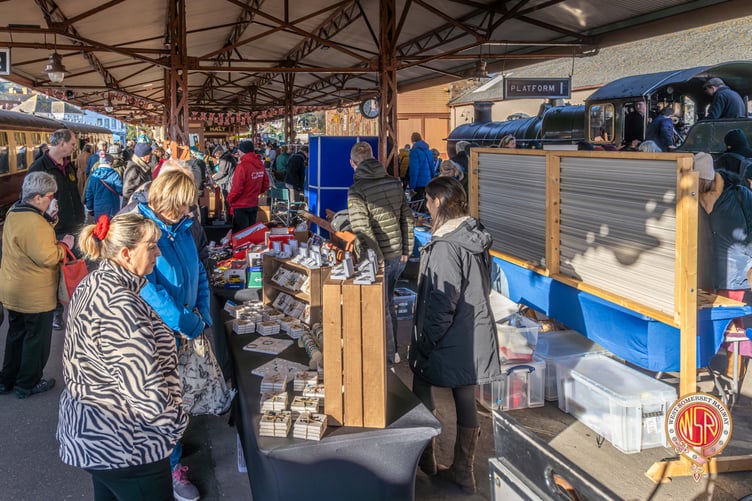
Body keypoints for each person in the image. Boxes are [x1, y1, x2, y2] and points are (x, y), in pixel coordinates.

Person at [57, 212, 187, 501]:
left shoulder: (95, 283)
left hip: (99, 437)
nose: (157, 252)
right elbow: (146, 392)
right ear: (127, 254)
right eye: (151, 246)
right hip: (128, 445)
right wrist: (177, 423)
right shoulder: (119, 304)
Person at [408, 176, 501, 494]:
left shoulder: (447, 246)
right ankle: (464, 472)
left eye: (428, 201)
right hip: (471, 330)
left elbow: (440, 302)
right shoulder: (473, 235)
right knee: (464, 396)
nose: (427, 207)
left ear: (437, 203)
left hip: (450, 333)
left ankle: (426, 461)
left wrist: (425, 340)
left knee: (421, 380)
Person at [129, 168, 209, 501]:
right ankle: (170, 470)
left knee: (179, 399)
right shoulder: (144, 233)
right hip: (159, 334)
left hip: (184, 327)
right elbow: (149, 288)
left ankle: (172, 449)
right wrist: (187, 322)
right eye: (187, 205)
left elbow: (198, 271)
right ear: (171, 202)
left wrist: (201, 313)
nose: (192, 211)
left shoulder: (183, 229)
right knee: (165, 404)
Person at [0, 172, 73, 398]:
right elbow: (47, 256)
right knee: (36, 342)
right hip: (35, 295)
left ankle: (7, 380)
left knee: (16, 335)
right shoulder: (35, 222)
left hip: (13, 290)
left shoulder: (15, 212)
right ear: (39, 197)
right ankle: (27, 383)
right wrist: (64, 245)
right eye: (51, 196)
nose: (53, 200)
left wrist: (50, 219)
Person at [347, 141, 414, 365]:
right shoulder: (394, 182)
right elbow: (407, 217)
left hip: (379, 259)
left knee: (380, 307)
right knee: (388, 304)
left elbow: (362, 230)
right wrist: (407, 249)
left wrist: (374, 259)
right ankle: (393, 350)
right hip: (398, 255)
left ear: (352, 164)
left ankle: (386, 355)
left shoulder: (357, 190)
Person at [695, 152, 752, 380]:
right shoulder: (690, 194)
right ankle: (700, 360)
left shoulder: (738, 194)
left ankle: (734, 365)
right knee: (701, 319)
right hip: (702, 270)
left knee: (731, 319)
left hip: (736, 269)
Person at [29, 128, 84, 330]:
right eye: (72, 144)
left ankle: (78, 308)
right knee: (54, 273)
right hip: (52, 229)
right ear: (61, 143)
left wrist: (81, 218)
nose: (74, 147)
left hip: (73, 225)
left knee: (74, 269)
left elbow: (74, 194)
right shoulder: (39, 168)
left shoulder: (68, 167)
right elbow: (30, 201)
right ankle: (56, 313)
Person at [227, 141, 269, 233]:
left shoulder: (242, 166)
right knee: (250, 235)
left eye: (239, 151)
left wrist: (230, 199)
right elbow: (265, 184)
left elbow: (237, 188)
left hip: (241, 205)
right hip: (253, 203)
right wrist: (254, 193)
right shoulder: (260, 164)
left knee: (240, 236)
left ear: (242, 151)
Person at [85, 152, 123, 220]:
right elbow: (120, 190)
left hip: (98, 207)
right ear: (110, 163)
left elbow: (89, 193)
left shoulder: (94, 175)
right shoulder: (114, 174)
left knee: (100, 227)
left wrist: (90, 207)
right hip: (112, 206)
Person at [408, 132, 434, 212]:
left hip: (418, 184)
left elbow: (414, 170)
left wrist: (412, 186)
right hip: (428, 182)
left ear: (412, 140)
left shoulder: (414, 152)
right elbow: (432, 168)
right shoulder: (429, 151)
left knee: (416, 207)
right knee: (426, 205)